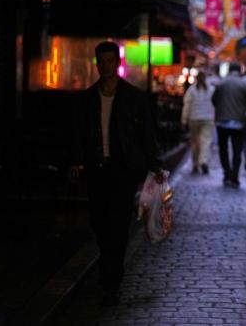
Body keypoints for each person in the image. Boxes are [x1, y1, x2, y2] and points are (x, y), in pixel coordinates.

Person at [69, 41, 162, 306]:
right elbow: (79, 132)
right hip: (97, 168)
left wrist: (154, 165)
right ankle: (108, 267)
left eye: (110, 61)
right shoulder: (88, 99)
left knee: (119, 225)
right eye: (102, 61)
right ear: (97, 63)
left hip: (123, 169)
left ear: (117, 63)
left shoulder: (134, 98)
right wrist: (76, 161)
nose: (106, 66)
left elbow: (147, 133)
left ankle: (111, 281)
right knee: (99, 222)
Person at [212, 62, 246, 187]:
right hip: (239, 122)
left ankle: (227, 175)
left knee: (223, 149)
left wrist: (221, 109)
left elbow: (214, 100)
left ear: (229, 70)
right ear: (239, 70)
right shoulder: (244, 85)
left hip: (222, 121)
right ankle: (235, 177)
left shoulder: (221, 84)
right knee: (237, 150)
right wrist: (242, 110)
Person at [181, 70, 215, 175]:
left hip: (194, 118)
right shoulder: (211, 90)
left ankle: (195, 163)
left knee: (195, 142)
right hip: (208, 118)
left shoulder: (191, 90)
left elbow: (186, 106)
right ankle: (203, 161)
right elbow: (215, 105)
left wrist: (184, 120)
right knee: (206, 141)